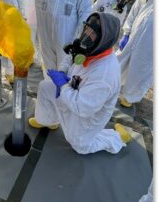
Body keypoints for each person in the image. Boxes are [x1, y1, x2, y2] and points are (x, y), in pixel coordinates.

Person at [29, 12, 132, 154]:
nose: (86, 35)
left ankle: (117, 137)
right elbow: (70, 59)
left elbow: (82, 107)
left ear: (104, 39)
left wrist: (63, 86)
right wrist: (63, 72)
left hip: (88, 114)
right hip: (75, 92)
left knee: (80, 145)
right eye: (87, 29)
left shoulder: (104, 74)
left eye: (92, 33)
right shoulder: (92, 49)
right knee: (46, 87)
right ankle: (48, 121)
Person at [116, 0, 153, 107]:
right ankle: (110, 86)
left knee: (141, 69)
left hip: (151, 43)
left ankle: (129, 97)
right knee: (119, 60)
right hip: (134, 34)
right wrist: (126, 32)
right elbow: (135, 10)